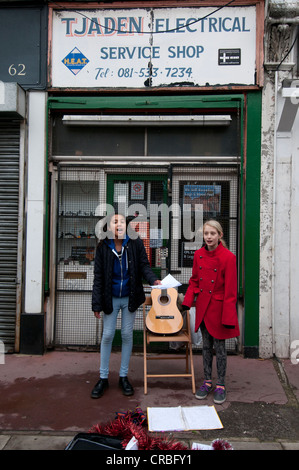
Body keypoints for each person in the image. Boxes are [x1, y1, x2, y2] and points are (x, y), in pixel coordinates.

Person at [91, 212, 161, 398]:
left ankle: (123, 376)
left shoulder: (135, 243)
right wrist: (96, 304)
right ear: (108, 227)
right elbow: (98, 277)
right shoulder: (103, 248)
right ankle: (103, 378)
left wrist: (154, 281)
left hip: (130, 297)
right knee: (107, 335)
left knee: (126, 334)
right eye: (115, 222)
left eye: (122, 221)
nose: (119, 225)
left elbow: (145, 266)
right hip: (110, 298)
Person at [182, 220, 240, 404]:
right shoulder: (198, 255)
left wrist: (229, 316)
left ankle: (221, 384)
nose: (208, 237)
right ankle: (207, 381)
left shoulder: (228, 257)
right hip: (203, 307)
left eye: (212, 233)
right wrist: (187, 303)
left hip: (220, 308)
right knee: (205, 347)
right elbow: (194, 281)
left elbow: (231, 291)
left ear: (220, 235)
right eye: (206, 233)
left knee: (220, 349)